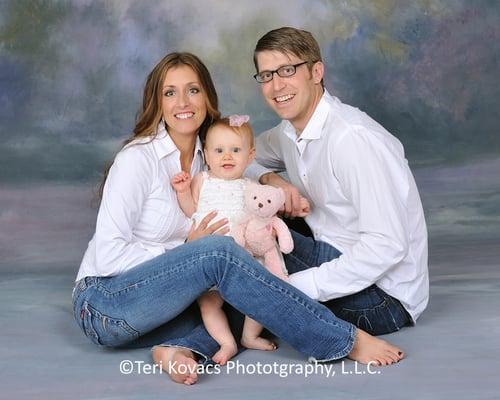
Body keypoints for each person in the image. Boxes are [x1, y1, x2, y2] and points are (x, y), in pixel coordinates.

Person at [72, 51, 404, 387]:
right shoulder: (137, 160)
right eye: (170, 93)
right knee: (222, 255)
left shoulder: (211, 155)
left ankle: (178, 349)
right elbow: (108, 256)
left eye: (193, 90)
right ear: (157, 103)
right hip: (107, 305)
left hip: (164, 311)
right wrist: (187, 251)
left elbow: (243, 163)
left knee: (247, 282)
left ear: (207, 97)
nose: (183, 102)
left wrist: (272, 181)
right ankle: (341, 340)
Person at [246, 27, 429, 336]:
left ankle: (194, 342)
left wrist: (293, 287)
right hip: (331, 250)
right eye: (266, 76)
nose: (277, 85)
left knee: (232, 260)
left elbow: (387, 246)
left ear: (316, 72)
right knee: (239, 209)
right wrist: (271, 179)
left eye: (287, 70)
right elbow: (242, 158)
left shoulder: (352, 139)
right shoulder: (288, 132)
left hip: (383, 298)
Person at [171, 116, 308, 366]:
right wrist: (182, 191)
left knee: (258, 296)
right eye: (219, 150)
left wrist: (280, 220)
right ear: (207, 154)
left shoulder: (250, 186)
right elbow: (191, 209)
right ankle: (227, 342)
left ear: (250, 155)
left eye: (235, 150)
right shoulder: (203, 180)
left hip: (243, 257)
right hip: (210, 257)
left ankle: (249, 335)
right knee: (209, 304)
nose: (227, 157)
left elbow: (264, 211)